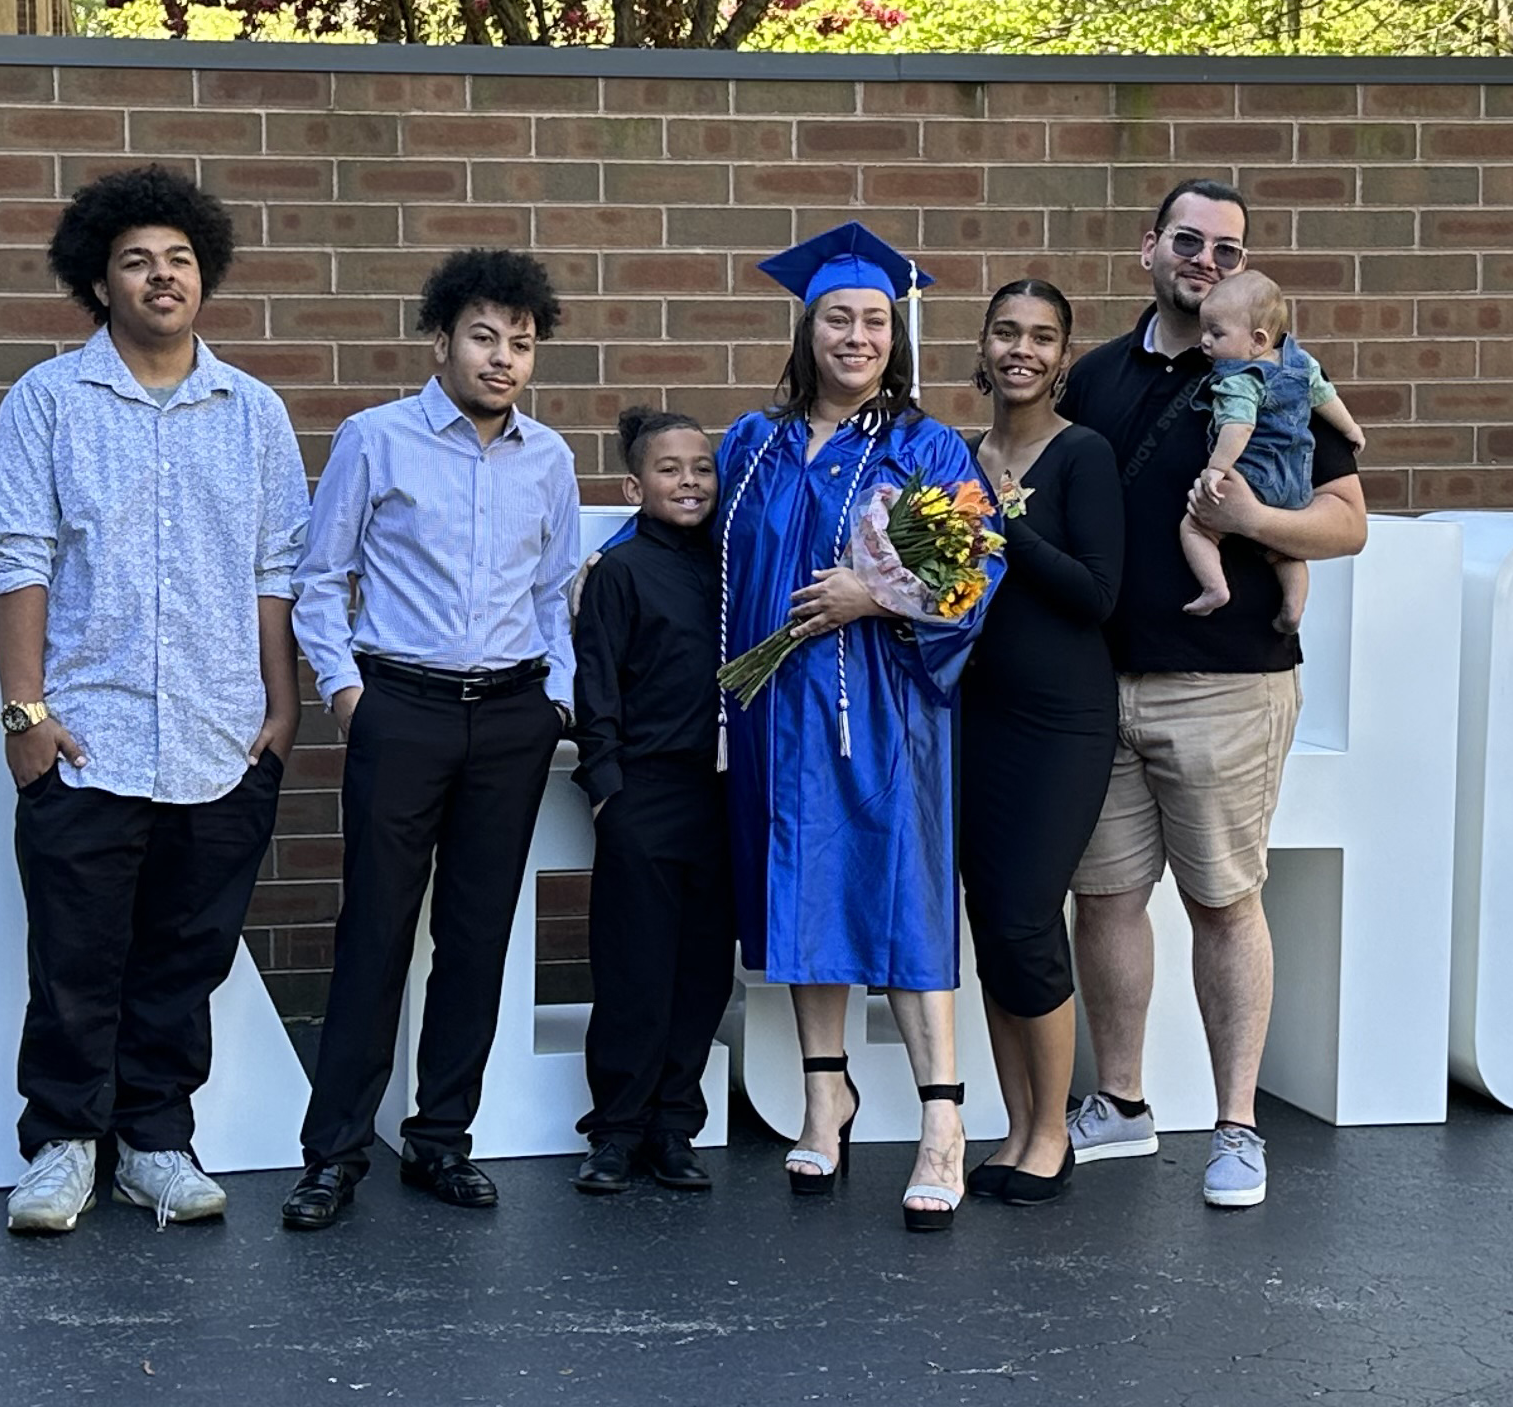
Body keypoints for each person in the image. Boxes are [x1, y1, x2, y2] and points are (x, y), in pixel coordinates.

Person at [0, 163, 305, 1235]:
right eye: (136, 262)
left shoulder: (253, 412)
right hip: (88, 732)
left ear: (203, 274)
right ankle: (64, 1144)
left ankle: (156, 1141)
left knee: (183, 954)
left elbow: (275, 570)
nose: (162, 278)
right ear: (99, 281)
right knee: (76, 954)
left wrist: (280, 707)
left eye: (179, 260)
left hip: (222, 733)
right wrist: (24, 714)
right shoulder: (48, 401)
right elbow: (17, 556)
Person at [1059, 180, 1370, 1210]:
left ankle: (1237, 1126)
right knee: (1103, 897)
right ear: (1150, 245)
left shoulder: (1274, 365)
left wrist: (1251, 519)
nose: (1206, 261)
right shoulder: (1093, 378)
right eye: (1189, 240)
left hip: (1227, 685)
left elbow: (1347, 521)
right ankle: (1119, 1101)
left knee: (1224, 901)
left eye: (1227, 250)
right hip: (1098, 685)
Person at [282, 249, 583, 1232]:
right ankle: (333, 1151)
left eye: (522, 343)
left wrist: (557, 702)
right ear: (442, 338)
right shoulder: (376, 438)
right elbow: (320, 578)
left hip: (509, 717)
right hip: (398, 709)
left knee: (476, 935)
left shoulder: (549, 458)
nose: (503, 358)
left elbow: (553, 596)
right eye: (485, 337)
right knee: (374, 929)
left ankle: (440, 1139)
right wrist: (345, 694)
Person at [718, 222, 1001, 1232]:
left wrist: (872, 597)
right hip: (775, 711)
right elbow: (695, 538)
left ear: (897, 333)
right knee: (800, 894)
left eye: (875, 319)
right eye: (838, 316)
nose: (857, 335)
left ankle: (941, 1122)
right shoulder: (752, 445)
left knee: (903, 895)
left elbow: (973, 572)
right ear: (807, 328)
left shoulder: (926, 445)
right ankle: (824, 1094)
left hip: (884, 707)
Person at [952, 279, 1118, 1209]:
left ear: (1063, 357)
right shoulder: (957, 454)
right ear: (983, 345)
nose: (1022, 348)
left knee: (1025, 918)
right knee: (990, 924)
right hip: (970, 713)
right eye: (1007, 331)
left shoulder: (1081, 456)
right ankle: (1015, 1125)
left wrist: (1009, 522)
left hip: (1060, 724)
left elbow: (1099, 593)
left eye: (1043, 337)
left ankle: (1051, 1129)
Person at [567, 406, 732, 1197]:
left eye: (702, 467)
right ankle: (616, 1130)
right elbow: (595, 684)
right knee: (634, 966)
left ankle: (674, 1126)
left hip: (726, 791)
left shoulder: (735, 565)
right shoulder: (622, 570)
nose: (690, 481)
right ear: (636, 485)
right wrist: (607, 790)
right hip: (645, 788)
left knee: (701, 968)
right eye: (671, 469)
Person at [1172, 270, 1361, 633]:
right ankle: (1292, 610)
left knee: (1195, 528)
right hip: (1296, 485)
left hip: (1255, 478)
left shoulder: (1240, 379)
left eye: (1216, 333)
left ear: (1257, 340)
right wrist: (1351, 429)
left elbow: (1238, 428)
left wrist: (1216, 469)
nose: (1205, 342)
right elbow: (1325, 398)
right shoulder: (1301, 363)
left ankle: (1214, 587)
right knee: (1286, 551)